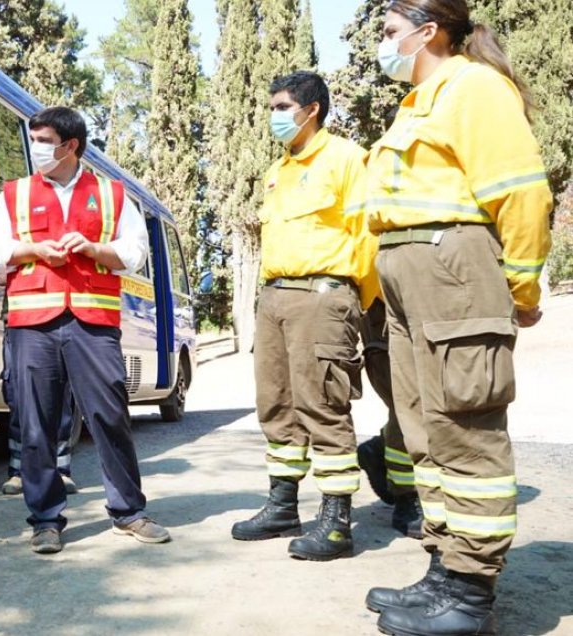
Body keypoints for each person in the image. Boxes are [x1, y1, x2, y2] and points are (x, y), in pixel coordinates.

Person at [362, 2, 552, 634]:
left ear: (429, 31)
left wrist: (521, 287)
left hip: (452, 267)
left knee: (465, 429)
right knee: (426, 431)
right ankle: (446, 567)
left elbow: (523, 192)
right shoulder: (419, 103)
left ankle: (471, 594)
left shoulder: (474, 87)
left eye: (389, 32)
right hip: (410, 276)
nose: (382, 45)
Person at [0, 106, 169, 554]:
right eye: (34, 139)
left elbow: (135, 251)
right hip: (33, 324)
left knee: (109, 414)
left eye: (44, 141)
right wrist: (34, 249)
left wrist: (94, 247)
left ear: (71, 146)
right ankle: (45, 519)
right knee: (36, 423)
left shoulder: (112, 195)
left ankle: (128, 511)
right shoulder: (15, 194)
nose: (36, 148)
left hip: (92, 323)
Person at [229, 72, 377, 562]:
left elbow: (368, 233)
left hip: (323, 295)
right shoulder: (278, 171)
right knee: (275, 405)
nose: (274, 115)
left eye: (282, 106)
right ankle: (283, 505)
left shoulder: (346, 158)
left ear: (311, 109)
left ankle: (336, 523)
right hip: (275, 298)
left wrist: (354, 301)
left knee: (322, 406)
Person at [0, 280, 78, 496]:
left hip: (58, 317)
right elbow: (1, 273)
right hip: (19, 319)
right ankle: (19, 471)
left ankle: (60, 470)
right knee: (19, 396)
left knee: (58, 396)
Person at [357, 298, 424, 539]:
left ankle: (379, 450)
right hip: (386, 301)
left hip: (437, 297)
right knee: (409, 404)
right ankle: (407, 495)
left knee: (435, 401)